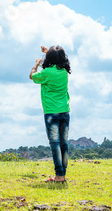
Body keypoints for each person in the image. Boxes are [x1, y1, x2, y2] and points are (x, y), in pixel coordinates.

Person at [30, 45, 71, 183]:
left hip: (51, 113)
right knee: (63, 143)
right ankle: (62, 174)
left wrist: (36, 64)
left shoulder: (46, 73)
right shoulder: (64, 71)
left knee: (55, 144)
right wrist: (49, 53)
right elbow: (56, 64)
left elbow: (33, 76)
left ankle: (59, 176)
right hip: (65, 111)